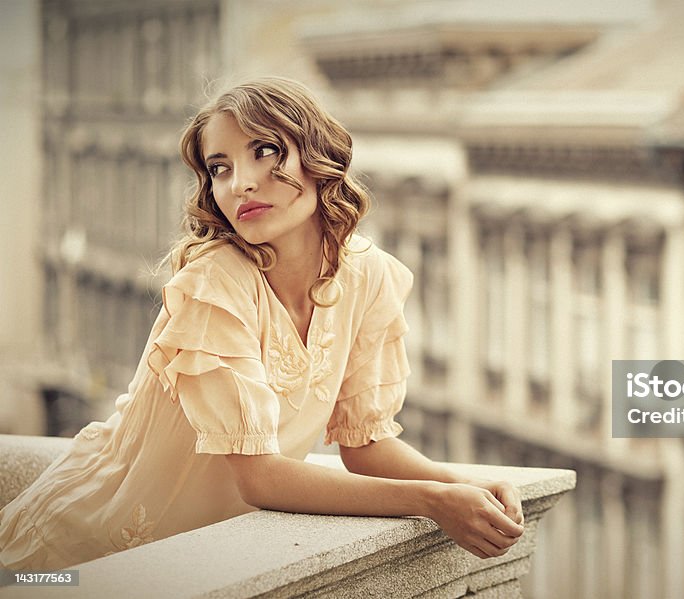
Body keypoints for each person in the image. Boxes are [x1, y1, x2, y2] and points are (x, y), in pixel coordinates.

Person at [0, 77, 523, 571]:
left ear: (318, 158)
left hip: (198, 562)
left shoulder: (369, 276)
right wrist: (433, 501)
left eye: (265, 151)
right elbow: (261, 477)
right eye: (219, 167)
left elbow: (366, 447)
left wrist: (465, 485)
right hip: (75, 557)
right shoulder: (214, 284)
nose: (241, 184)